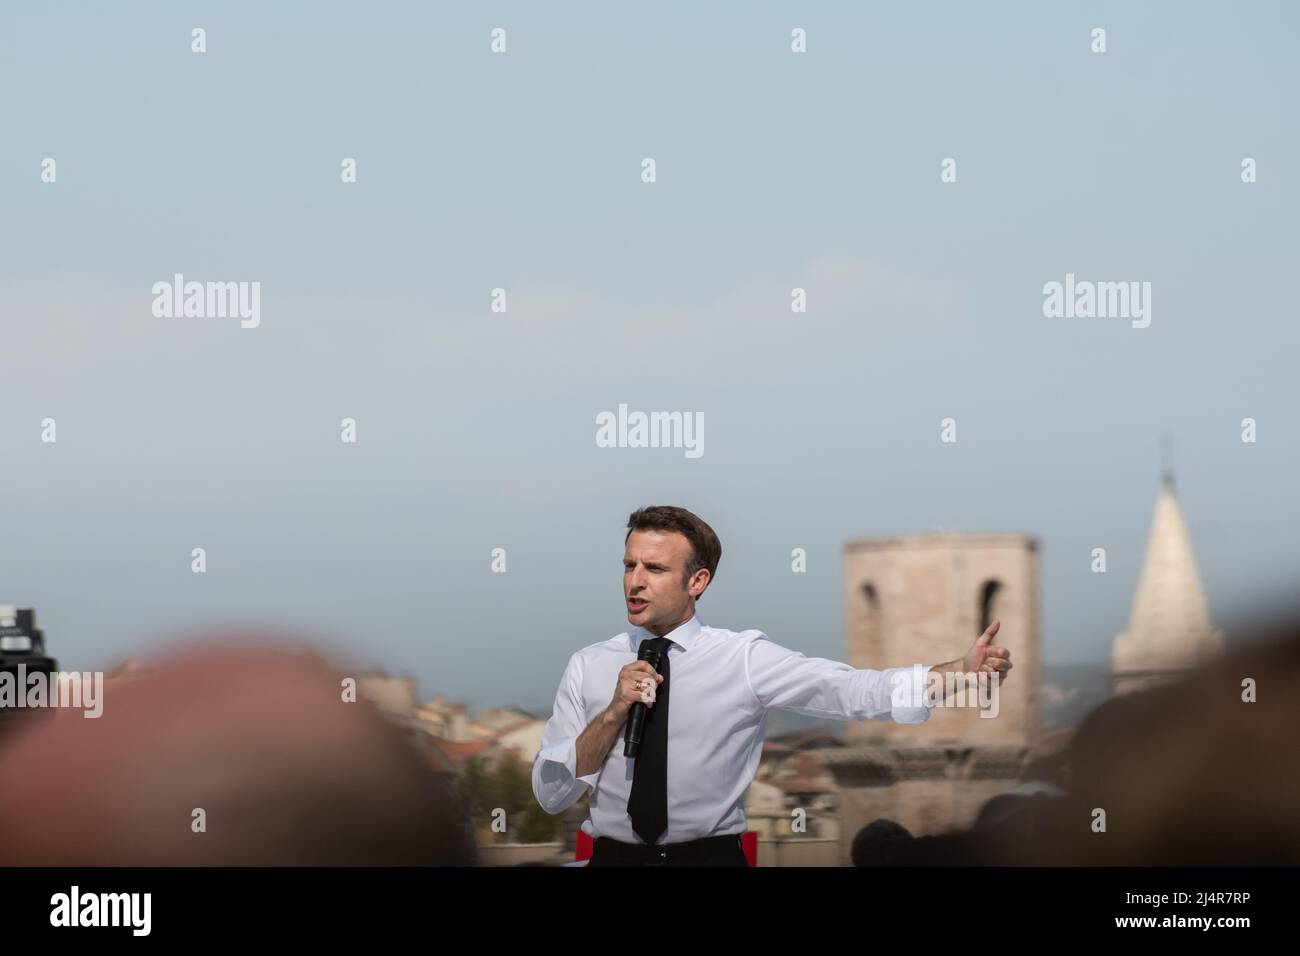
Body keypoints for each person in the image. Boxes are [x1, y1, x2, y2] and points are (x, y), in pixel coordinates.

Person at [530, 505, 1013, 866]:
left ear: (697, 581)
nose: (635, 581)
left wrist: (957, 674)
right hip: (613, 860)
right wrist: (614, 710)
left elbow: (851, 691)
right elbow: (554, 793)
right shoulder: (588, 666)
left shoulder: (743, 658)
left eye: (654, 569)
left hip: (711, 860)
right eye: (629, 565)